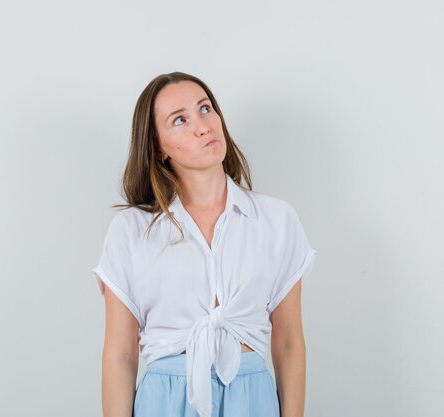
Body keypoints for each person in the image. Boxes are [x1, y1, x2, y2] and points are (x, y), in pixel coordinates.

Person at [91, 72, 318, 417]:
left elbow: (288, 344)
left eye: (205, 109)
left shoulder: (276, 220)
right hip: (164, 401)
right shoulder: (131, 230)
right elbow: (121, 354)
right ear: (157, 148)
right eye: (180, 120)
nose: (203, 126)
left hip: (251, 398)